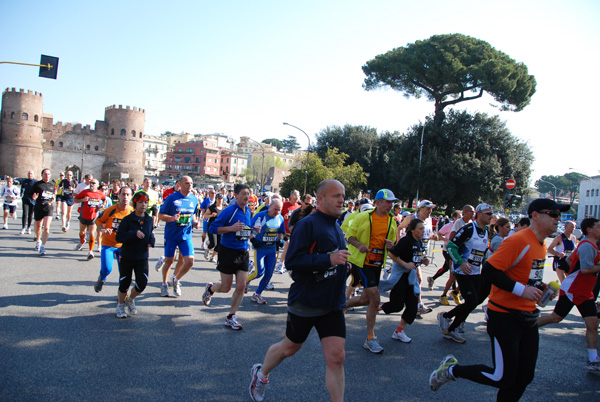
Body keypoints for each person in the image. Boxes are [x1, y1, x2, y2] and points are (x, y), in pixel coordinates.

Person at [429, 198, 570, 401]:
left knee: (524, 376)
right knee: (502, 376)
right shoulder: (518, 240)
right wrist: (523, 290)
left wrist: (542, 289)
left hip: (528, 316)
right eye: (554, 214)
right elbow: (490, 270)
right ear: (536, 216)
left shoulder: (541, 245)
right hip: (504, 316)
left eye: (559, 214)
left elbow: (528, 278)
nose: (559, 219)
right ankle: (451, 370)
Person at [249, 180, 350, 402]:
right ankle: (261, 374)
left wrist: (343, 263)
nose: (342, 200)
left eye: (342, 195)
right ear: (320, 199)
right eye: (336, 196)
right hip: (307, 300)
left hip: (332, 303)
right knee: (290, 347)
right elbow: (293, 260)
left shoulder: (335, 224)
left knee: (337, 357)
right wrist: (329, 259)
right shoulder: (308, 224)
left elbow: (334, 256)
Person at [538, 217, 600, 371]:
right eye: (598, 226)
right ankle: (523, 326)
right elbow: (585, 270)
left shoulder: (589, 244)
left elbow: (570, 262)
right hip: (574, 289)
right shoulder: (586, 246)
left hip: (584, 290)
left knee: (592, 324)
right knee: (556, 318)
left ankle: (593, 359)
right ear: (589, 229)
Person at [345, 189, 398, 354]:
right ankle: (370, 338)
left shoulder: (392, 221)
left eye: (392, 202)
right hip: (362, 262)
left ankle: (336, 306)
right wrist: (359, 245)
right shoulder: (363, 216)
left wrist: (391, 245)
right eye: (388, 202)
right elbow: (349, 236)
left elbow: (393, 243)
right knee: (375, 299)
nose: (391, 205)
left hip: (377, 264)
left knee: (364, 300)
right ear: (379, 202)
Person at [437, 203, 493, 343]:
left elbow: (482, 252)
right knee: (471, 301)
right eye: (487, 213)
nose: (490, 216)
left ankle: (452, 329)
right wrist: (461, 262)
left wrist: (486, 263)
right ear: (479, 214)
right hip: (462, 272)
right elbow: (451, 246)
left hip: (476, 272)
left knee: (475, 301)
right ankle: (446, 317)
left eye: (491, 214)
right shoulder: (468, 229)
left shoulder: (486, 231)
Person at [202, 184, 252, 330]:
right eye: (243, 193)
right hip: (228, 252)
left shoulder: (248, 211)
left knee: (241, 286)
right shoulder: (228, 211)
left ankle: (231, 316)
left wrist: (254, 231)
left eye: (248, 193)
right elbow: (212, 228)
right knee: (226, 288)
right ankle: (211, 289)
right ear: (236, 195)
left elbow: (245, 230)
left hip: (243, 252)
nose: (246, 196)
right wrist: (231, 228)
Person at [379, 218, 429, 343]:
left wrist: (423, 260)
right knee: (397, 306)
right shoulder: (406, 240)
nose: (423, 231)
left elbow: (416, 255)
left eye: (423, 228)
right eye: (420, 228)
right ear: (412, 230)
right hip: (401, 276)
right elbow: (392, 254)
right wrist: (405, 264)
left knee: (412, 307)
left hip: (411, 278)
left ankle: (399, 331)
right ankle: (377, 307)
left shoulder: (420, 242)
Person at [114, 191, 155, 318]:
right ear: (135, 204)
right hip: (127, 256)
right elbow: (119, 237)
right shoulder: (127, 220)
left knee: (142, 284)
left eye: (145, 202)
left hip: (142, 257)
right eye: (141, 202)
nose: (143, 205)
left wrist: (151, 241)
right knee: (124, 284)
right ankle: (120, 305)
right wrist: (133, 233)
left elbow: (150, 233)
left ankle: (130, 299)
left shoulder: (148, 219)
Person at [157, 176, 200, 297]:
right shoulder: (172, 198)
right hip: (171, 235)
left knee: (189, 261)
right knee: (170, 261)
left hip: (185, 236)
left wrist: (195, 222)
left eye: (191, 183)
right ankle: (164, 284)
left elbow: (193, 215)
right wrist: (171, 218)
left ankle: (175, 280)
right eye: (187, 183)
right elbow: (160, 215)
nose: (190, 185)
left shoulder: (194, 199)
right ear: (180, 184)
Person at [398, 199, 439, 315]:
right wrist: (399, 245)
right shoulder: (412, 219)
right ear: (421, 208)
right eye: (428, 209)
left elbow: (427, 234)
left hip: (420, 253)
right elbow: (399, 228)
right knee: (418, 278)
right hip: (410, 253)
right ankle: (418, 304)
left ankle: (404, 299)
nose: (430, 211)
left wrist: (433, 236)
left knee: (406, 279)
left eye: (431, 209)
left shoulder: (429, 220)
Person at [93, 186, 133, 292]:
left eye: (128, 195)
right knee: (107, 269)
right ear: (119, 196)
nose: (125, 197)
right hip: (108, 244)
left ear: (131, 197)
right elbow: (99, 221)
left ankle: (121, 294)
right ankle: (101, 279)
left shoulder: (132, 212)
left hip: (124, 247)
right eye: (123, 194)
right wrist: (103, 230)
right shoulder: (111, 210)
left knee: (124, 273)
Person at [246, 198, 286, 304]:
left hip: (271, 250)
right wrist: (253, 239)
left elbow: (281, 232)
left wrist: (280, 240)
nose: (277, 212)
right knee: (259, 272)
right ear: (270, 206)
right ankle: (246, 281)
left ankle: (257, 294)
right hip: (260, 248)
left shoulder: (280, 218)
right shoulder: (261, 215)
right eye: (275, 209)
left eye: (279, 210)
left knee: (268, 274)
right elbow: (247, 228)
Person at [427, 210, 462, 305]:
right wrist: (445, 239)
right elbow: (439, 234)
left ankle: (432, 278)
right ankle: (453, 291)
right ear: (454, 218)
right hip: (448, 251)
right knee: (453, 271)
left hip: (457, 251)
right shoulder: (448, 226)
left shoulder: (462, 226)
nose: (461, 218)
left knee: (446, 268)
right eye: (459, 216)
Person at [74, 179, 106, 260]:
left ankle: (90, 251)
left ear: (97, 185)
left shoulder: (99, 193)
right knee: (82, 232)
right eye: (91, 183)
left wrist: (103, 205)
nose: (91, 184)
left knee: (92, 234)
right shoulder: (85, 192)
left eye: (93, 183)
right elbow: (75, 200)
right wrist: (82, 200)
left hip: (93, 217)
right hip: (84, 216)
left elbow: (104, 199)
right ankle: (82, 241)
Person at [30, 168, 56, 256]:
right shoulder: (37, 184)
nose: (47, 175)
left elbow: (53, 195)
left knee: (46, 228)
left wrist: (53, 199)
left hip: (48, 207)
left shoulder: (52, 184)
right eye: (45, 174)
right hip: (39, 207)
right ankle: (38, 240)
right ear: (42, 175)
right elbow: (31, 194)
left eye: (48, 174)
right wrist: (33, 198)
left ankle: (43, 246)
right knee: (38, 226)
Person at [276, 190, 301, 274]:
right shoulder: (284, 205)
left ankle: (282, 263)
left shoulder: (298, 207)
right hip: (282, 231)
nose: (297, 197)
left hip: (293, 231)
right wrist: (283, 216)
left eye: (298, 195)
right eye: (295, 195)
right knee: (278, 250)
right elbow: (277, 215)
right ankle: (280, 263)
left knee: (288, 246)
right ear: (291, 196)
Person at [204, 193, 225, 262]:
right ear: (216, 199)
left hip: (220, 228)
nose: (220, 200)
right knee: (213, 243)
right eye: (219, 199)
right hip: (212, 227)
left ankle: (212, 257)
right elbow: (205, 215)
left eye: (221, 199)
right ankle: (208, 249)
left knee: (219, 244)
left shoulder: (224, 208)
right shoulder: (212, 207)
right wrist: (211, 215)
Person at [19, 170, 36, 235]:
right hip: (25, 198)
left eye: (31, 173)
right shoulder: (25, 181)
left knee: (30, 214)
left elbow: (37, 190)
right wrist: (21, 193)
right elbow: (22, 188)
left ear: (33, 175)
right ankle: (23, 227)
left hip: (32, 200)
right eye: (29, 173)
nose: (30, 175)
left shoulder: (35, 182)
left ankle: (28, 227)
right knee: (25, 213)